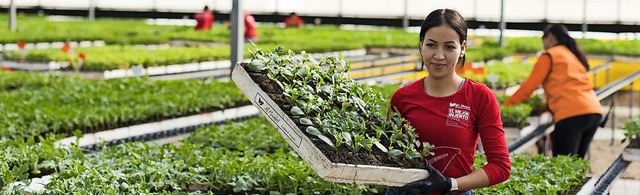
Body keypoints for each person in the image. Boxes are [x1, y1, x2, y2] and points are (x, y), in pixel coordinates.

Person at [387, 9, 511, 195]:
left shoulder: (480, 97)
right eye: (431, 45)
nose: (439, 55)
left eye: (449, 47)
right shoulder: (402, 98)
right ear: (421, 46)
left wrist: (450, 184)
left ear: (463, 48)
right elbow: (386, 155)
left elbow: (500, 166)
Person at [502, 24, 602, 159]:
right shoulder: (571, 55)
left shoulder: (549, 56)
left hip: (572, 115)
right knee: (575, 165)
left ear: (549, 37)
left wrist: (504, 108)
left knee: (562, 165)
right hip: (593, 112)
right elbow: (566, 87)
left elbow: (528, 88)